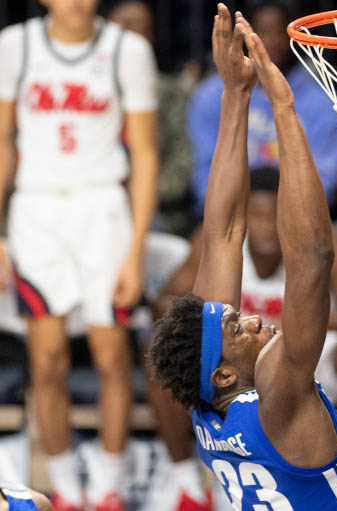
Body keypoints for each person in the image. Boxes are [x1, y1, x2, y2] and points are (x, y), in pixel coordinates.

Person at [148, 6, 337, 510]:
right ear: (226, 373)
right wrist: (283, 107)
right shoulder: (278, 399)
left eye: (236, 318)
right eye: (237, 328)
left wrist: (235, 95)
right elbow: (314, 258)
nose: (252, 317)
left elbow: (223, 232)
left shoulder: (209, 410)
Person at [0, 0, 158, 509]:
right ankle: (65, 491)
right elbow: (2, 142)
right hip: (36, 210)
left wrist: (135, 251)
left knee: (113, 356)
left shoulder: (126, 49)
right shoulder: (14, 46)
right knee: (45, 361)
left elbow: (147, 153)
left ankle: (109, 487)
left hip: (102, 208)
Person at [187, 0, 337, 218]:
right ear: (243, 37)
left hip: (299, 217)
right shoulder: (210, 96)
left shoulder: (323, 100)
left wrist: (276, 216)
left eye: (277, 32)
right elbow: (204, 175)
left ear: (292, 38)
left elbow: (325, 181)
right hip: (228, 215)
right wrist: (247, 215)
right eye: (260, 33)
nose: (270, 42)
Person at [108, 0, 197, 237]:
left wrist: (141, 194)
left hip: (158, 213)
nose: (134, 36)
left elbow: (183, 161)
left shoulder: (169, 93)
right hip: (93, 201)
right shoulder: (86, 86)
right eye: (127, 25)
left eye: (143, 29)